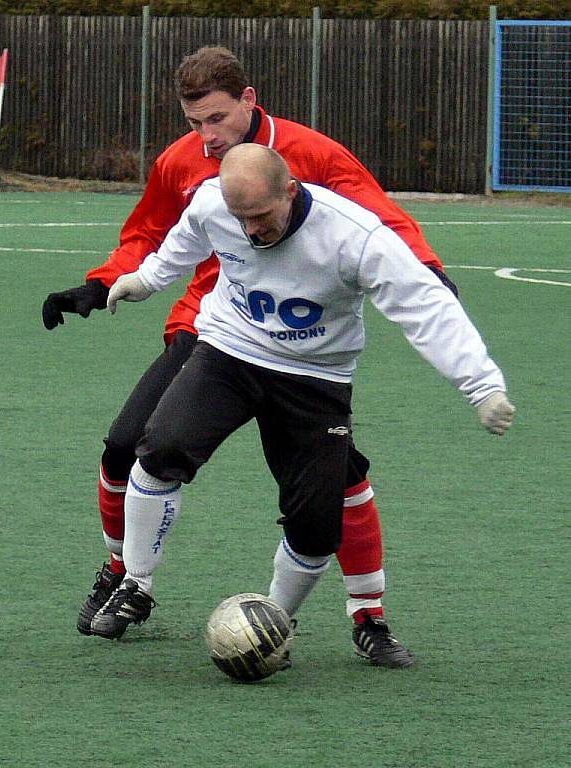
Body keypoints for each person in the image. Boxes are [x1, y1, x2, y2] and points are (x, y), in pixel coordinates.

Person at [42, 47, 459, 668]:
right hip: (212, 330)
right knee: (126, 446)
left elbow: (381, 216)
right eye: (193, 123)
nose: (205, 137)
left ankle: (368, 615)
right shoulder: (180, 162)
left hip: (301, 347)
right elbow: (147, 235)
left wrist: (427, 270)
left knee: (339, 476)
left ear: (249, 99)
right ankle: (127, 578)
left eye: (216, 119)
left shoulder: (311, 153)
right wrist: (102, 284)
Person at [90, 145, 515, 664]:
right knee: (159, 448)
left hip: (316, 377)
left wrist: (481, 385)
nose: (250, 232)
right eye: (240, 219)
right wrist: (145, 279)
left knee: (316, 525)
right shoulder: (212, 204)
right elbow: (185, 241)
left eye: (262, 217)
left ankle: (273, 624)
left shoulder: (354, 237)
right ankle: (135, 583)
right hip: (230, 351)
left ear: (291, 191)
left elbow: (425, 307)